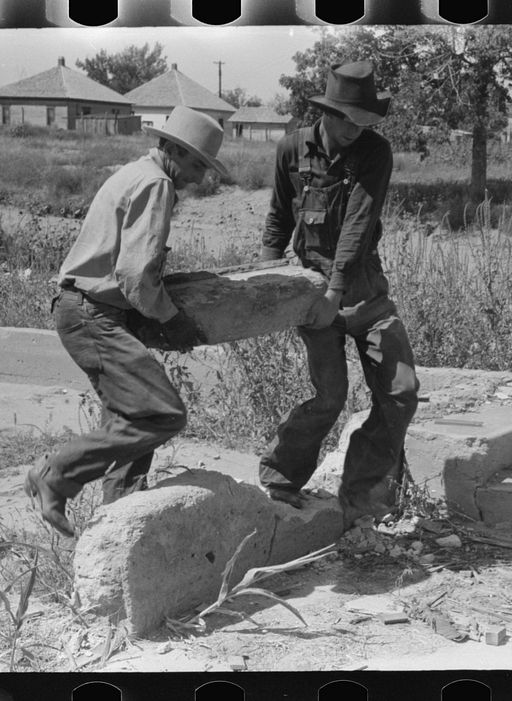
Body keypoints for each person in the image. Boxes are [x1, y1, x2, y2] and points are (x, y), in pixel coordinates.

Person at [24, 106, 228, 538]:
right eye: (194, 164)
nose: (197, 178)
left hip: (88, 309)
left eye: (204, 169)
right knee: (163, 415)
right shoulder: (157, 183)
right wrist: (172, 320)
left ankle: (118, 527)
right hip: (93, 314)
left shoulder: (136, 172)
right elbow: (135, 275)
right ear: (171, 148)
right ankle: (55, 475)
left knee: (131, 418)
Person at [257, 60, 420, 528]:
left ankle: (363, 496)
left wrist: (336, 291)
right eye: (348, 119)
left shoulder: (375, 152)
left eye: (364, 121)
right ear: (326, 113)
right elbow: (276, 222)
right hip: (312, 294)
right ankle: (281, 480)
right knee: (330, 396)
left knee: (400, 391)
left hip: (364, 291)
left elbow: (357, 225)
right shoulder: (291, 150)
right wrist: (271, 289)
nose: (356, 129)